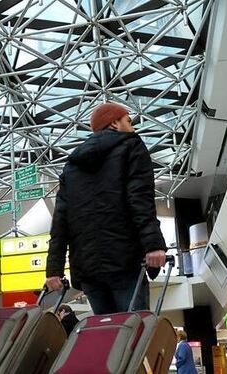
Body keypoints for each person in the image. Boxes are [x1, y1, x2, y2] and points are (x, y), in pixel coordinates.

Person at [45, 102, 167, 315]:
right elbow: (140, 198)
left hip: (87, 269)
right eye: (128, 121)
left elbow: (60, 220)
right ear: (114, 123)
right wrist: (153, 245)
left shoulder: (72, 165)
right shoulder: (131, 146)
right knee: (134, 334)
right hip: (124, 260)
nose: (133, 127)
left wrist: (54, 270)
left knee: (107, 336)